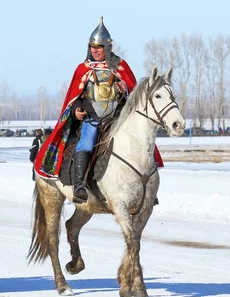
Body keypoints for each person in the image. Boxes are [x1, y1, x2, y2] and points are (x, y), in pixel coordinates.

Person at [34, 16, 163, 203]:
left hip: (117, 120)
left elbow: (136, 96)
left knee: (138, 144)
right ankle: (79, 185)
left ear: (107, 48)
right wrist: (77, 109)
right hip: (92, 119)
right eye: (93, 47)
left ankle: (148, 189)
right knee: (85, 143)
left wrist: (124, 89)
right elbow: (74, 98)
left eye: (100, 47)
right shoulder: (83, 69)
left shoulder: (120, 66)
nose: (96, 50)